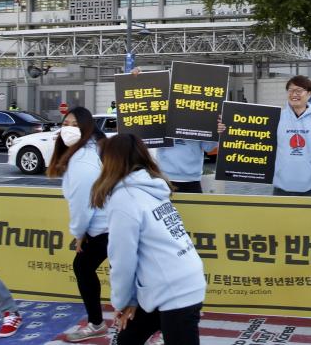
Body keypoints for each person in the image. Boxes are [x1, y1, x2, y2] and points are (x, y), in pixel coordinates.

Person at [90, 134, 205, 345]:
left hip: (176, 290)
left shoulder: (125, 198)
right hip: (171, 282)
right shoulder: (152, 186)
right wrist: (131, 300)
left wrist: (122, 302)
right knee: (128, 339)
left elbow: (122, 261)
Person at [46, 106, 109, 342]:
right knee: (85, 267)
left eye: (75, 125)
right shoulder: (89, 150)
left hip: (107, 226)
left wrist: (79, 233)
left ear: (87, 128)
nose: (69, 129)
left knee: (83, 267)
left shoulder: (82, 159)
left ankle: (97, 323)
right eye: (65, 124)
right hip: (109, 223)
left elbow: (82, 203)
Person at [274, 75, 311, 196]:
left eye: (299, 90)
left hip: (310, 187)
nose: (294, 94)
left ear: (309, 93)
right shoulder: (277, 117)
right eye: (290, 90)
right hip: (281, 186)